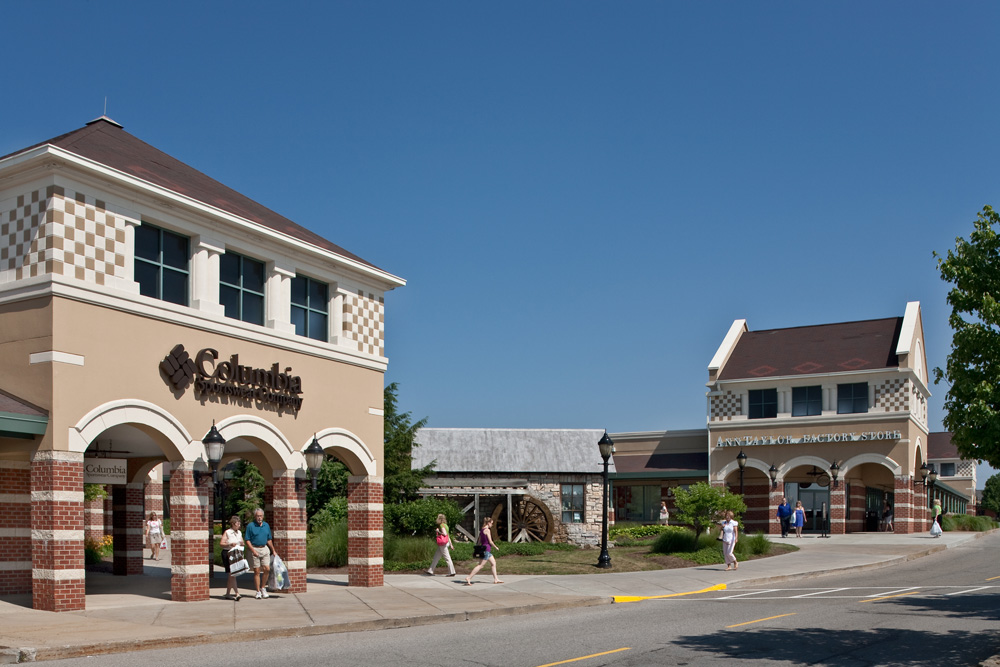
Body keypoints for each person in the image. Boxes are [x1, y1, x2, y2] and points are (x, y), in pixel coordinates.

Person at [244, 507, 277, 599]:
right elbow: (247, 540)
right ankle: (258, 591)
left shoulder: (266, 525)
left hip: (264, 548)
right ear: (255, 516)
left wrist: (273, 550)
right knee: (257, 571)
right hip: (255, 549)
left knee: (267, 569)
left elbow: (269, 539)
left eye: (261, 516)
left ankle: (263, 588)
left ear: (263, 516)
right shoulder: (251, 526)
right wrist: (253, 551)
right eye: (258, 516)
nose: (259, 518)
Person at [465, 517, 503, 585]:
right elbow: (490, 541)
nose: (492, 525)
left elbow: (479, 541)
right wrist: (496, 547)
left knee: (493, 563)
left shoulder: (482, 530)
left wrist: (477, 548)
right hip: (487, 550)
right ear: (488, 523)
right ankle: (469, 577)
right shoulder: (487, 530)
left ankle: (496, 579)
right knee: (480, 565)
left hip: (484, 550)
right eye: (491, 523)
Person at [220, 515, 243, 601]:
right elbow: (221, 544)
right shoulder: (227, 532)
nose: (239, 524)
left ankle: (228, 593)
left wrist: (241, 543)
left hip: (236, 553)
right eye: (237, 523)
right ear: (233, 524)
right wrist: (229, 544)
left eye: (239, 523)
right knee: (232, 574)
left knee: (231, 575)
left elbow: (242, 541)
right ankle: (237, 593)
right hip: (228, 553)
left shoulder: (239, 533)